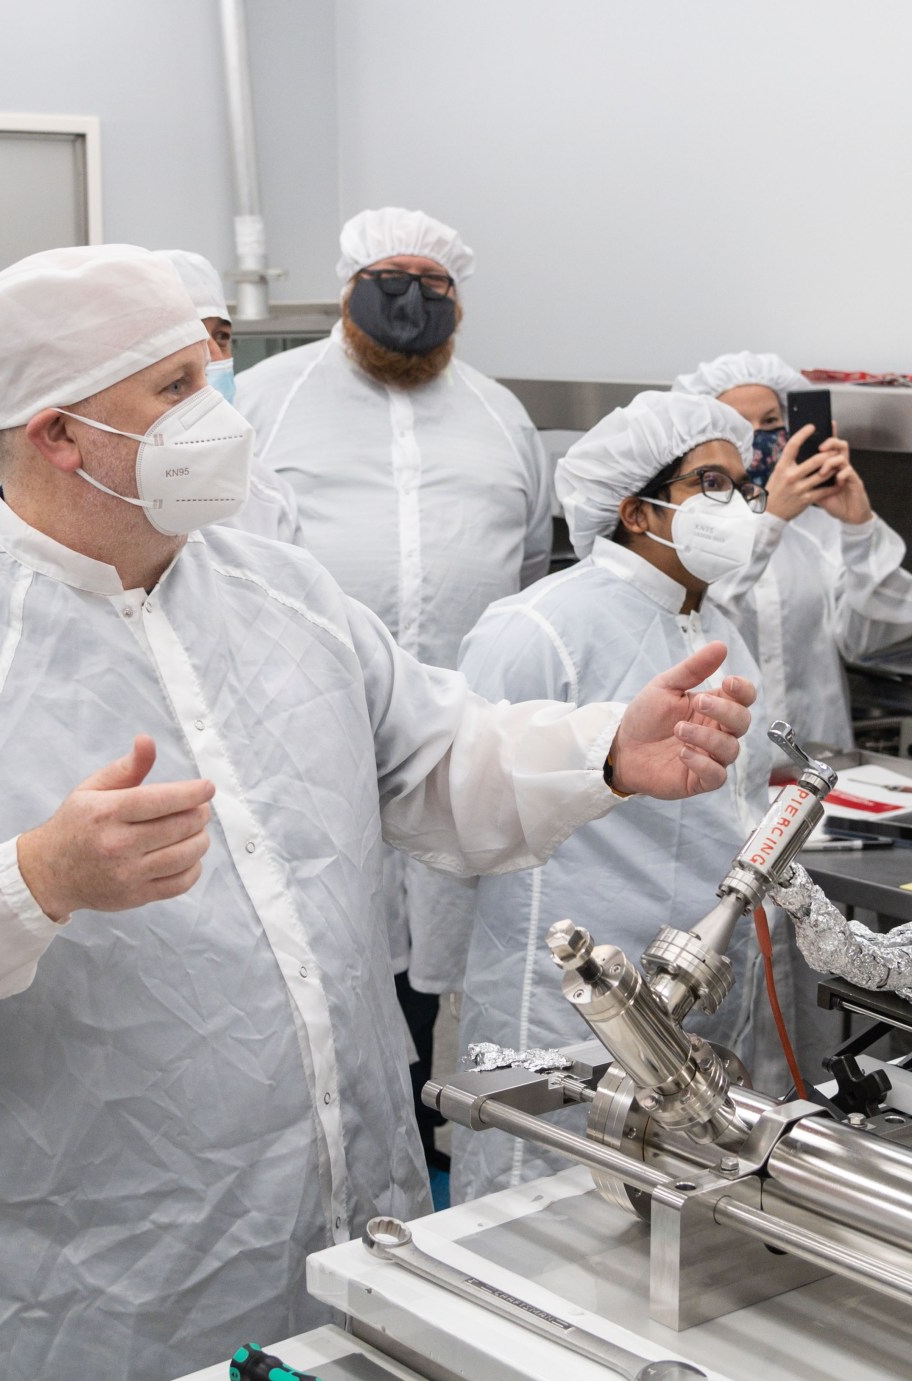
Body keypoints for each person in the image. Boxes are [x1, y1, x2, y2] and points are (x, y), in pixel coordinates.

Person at [0, 244, 756, 1381]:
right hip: (104, 1282)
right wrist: (31, 879)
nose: (218, 411)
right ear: (57, 434)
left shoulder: (280, 590)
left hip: (345, 1230)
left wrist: (603, 750)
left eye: (208, 375)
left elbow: (439, 758)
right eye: (174, 389)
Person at [235, 207, 556, 1161]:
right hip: (301, 733)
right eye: (390, 276)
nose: (412, 300)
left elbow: (532, 562)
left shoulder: (502, 418)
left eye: (435, 283)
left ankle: (415, 1140)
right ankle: (316, 1146)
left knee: (435, 954)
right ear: (346, 287)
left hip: (455, 736)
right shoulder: (264, 402)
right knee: (316, 946)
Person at [449, 391, 780, 1201]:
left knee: (658, 1228)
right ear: (636, 507)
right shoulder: (538, 628)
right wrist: (450, 975)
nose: (733, 506)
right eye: (709, 482)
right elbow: (459, 812)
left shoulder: (718, 630)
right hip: (562, 1000)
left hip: (693, 998)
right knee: (536, 1221)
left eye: (741, 487)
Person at [673, 351, 912, 750]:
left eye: (771, 422)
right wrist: (769, 520)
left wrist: (859, 528)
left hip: (816, 768)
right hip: (718, 772)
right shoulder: (683, 529)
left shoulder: (815, 530)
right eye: (737, 424)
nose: (757, 436)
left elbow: (873, 632)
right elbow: (697, 623)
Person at [157, 248, 301, 543]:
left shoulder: (265, 496)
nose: (213, 355)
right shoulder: (107, 486)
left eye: (221, 337)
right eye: (192, 334)